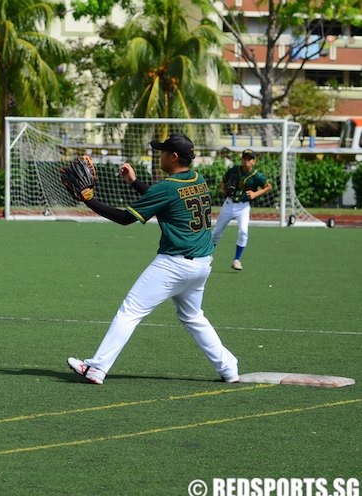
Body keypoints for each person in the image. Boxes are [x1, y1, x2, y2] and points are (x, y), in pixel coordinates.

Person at [64, 133, 239, 385]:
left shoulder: (167, 186)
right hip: (202, 264)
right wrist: (135, 183)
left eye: (163, 151)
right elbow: (165, 201)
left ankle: (97, 368)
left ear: (174, 156)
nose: (160, 155)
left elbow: (126, 218)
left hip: (174, 265)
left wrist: (89, 200)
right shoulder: (197, 180)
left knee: (130, 311)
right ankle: (229, 369)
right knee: (193, 317)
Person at [211, 149, 272, 271]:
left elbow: (268, 186)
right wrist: (224, 190)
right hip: (229, 204)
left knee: (243, 232)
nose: (246, 161)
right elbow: (223, 181)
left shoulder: (256, 176)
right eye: (245, 158)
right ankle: (207, 256)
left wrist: (255, 193)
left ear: (254, 161)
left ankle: (236, 260)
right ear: (241, 159)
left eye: (249, 159)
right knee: (217, 231)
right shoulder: (234, 170)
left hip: (243, 207)